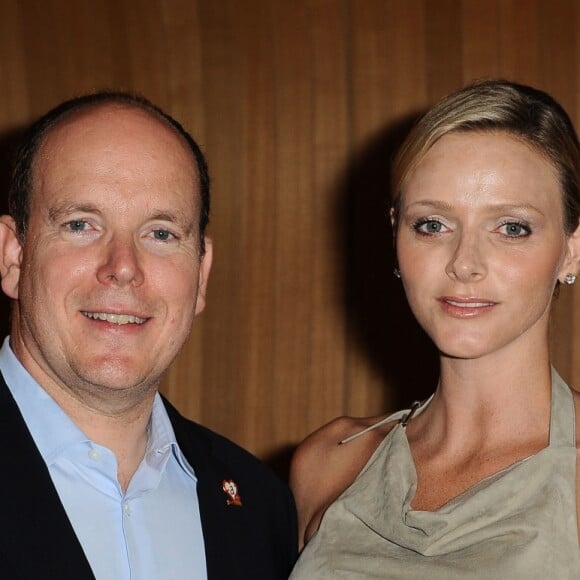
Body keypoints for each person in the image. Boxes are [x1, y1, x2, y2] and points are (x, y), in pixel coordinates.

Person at [289, 79, 580, 578]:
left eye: (511, 227)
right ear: (396, 236)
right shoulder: (329, 463)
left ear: (571, 250)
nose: (464, 264)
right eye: (432, 225)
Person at [0, 92, 297, 579]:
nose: (123, 268)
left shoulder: (261, 509)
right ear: (14, 256)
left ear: (200, 275)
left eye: (160, 233)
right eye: (81, 224)